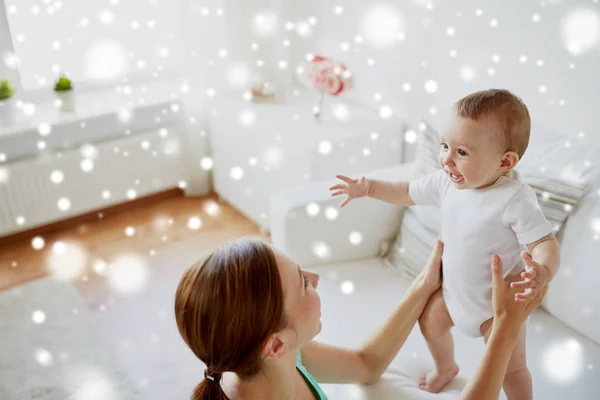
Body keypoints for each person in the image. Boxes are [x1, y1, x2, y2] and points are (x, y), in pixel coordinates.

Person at [330, 89, 560, 398]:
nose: (447, 159)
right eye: (444, 146)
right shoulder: (445, 183)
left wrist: (542, 271)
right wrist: (370, 187)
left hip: (497, 307)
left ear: (505, 161)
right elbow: (407, 192)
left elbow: (544, 243)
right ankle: (446, 367)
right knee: (430, 323)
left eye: (462, 152)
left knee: (512, 368)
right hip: (454, 296)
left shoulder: (514, 199)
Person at [174, 237, 547, 400]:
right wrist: (505, 326)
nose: (316, 279)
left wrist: (423, 283)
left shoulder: (278, 359)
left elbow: (365, 365)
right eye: (303, 283)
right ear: (274, 343)